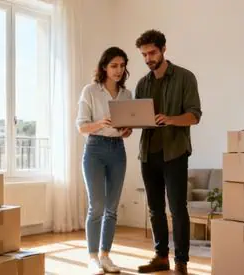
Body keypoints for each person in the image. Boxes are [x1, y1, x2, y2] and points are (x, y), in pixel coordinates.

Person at [133, 29, 202, 275]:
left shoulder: (185, 77)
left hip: (174, 153)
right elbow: (138, 117)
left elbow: (194, 116)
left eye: (152, 52)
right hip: (148, 154)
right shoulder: (142, 83)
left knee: (177, 208)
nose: (148, 58)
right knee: (154, 209)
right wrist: (126, 126)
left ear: (163, 49)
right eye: (144, 54)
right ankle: (161, 256)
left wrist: (171, 119)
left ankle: (181, 260)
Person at [76, 47, 133, 274]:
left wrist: (126, 129)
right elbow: (81, 127)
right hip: (95, 149)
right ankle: (92, 258)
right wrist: (102, 122)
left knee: (112, 208)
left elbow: (126, 132)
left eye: (122, 65)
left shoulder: (127, 95)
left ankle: (106, 256)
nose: (118, 70)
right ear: (104, 67)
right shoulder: (90, 91)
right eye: (114, 65)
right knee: (96, 206)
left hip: (118, 150)